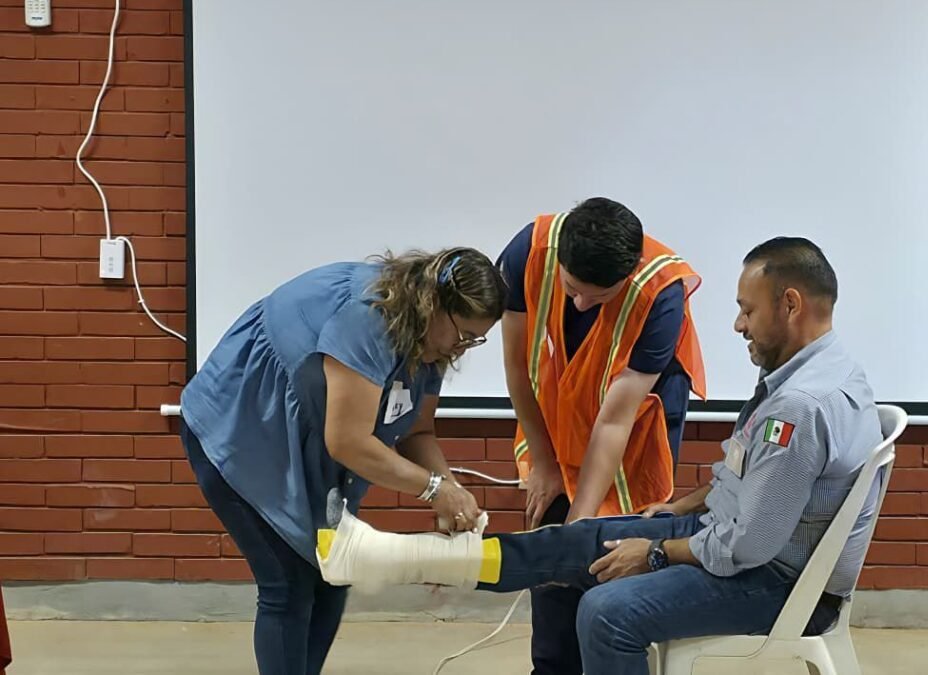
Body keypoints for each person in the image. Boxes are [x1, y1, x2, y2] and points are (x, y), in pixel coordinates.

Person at [317, 237, 885, 675]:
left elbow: (750, 546)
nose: (738, 324)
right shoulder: (814, 374)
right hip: (742, 544)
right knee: (575, 539)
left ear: (790, 303)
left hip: (779, 582)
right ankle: (391, 559)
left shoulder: (802, 407)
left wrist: (659, 553)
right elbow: (749, 479)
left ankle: (385, 560)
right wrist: (675, 508)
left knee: (609, 612)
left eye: (747, 309)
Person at [178, 247, 508, 675]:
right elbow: (349, 443)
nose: (463, 349)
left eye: (475, 340)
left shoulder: (434, 343)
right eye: (463, 335)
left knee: (333, 576)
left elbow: (417, 432)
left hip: (308, 441)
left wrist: (451, 491)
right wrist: (433, 490)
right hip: (242, 432)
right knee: (289, 584)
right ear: (434, 303)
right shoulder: (368, 318)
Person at [496, 197, 706, 674]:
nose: (581, 304)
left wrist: (581, 528)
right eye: (572, 288)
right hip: (558, 409)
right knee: (551, 540)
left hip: (631, 429)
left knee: (608, 549)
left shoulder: (660, 292)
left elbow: (615, 420)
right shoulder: (526, 252)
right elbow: (516, 366)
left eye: (599, 297)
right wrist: (547, 465)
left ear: (627, 276)